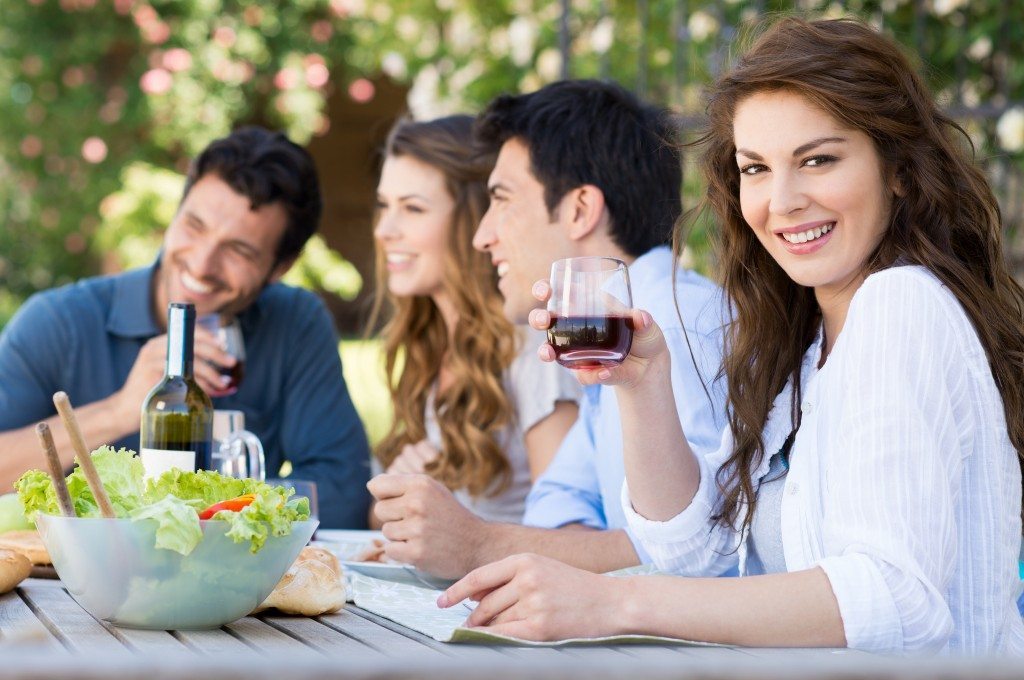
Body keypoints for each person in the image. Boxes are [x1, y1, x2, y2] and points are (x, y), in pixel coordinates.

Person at [439, 17, 1024, 655]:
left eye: (818, 160)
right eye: (756, 168)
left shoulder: (900, 306)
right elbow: (698, 551)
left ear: (899, 172)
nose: (784, 199)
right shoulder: (809, 348)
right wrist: (642, 384)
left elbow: (894, 599)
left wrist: (613, 601)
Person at [368, 80, 728, 578]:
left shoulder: (673, 325)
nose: (481, 235)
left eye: (502, 200)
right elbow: (559, 503)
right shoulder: (610, 329)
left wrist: (477, 543)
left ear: (579, 210)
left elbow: (695, 554)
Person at [0, 126, 372, 528]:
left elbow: (343, 492)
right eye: (195, 225)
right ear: (176, 212)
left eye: (239, 250)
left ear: (281, 267)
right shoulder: (58, 322)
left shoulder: (296, 324)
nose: (202, 263)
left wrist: (208, 511)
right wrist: (120, 411)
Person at [369, 115, 580, 523]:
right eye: (384, 206)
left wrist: (443, 516)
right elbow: (382, 515)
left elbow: (566, 531)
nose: (385, 230)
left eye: (412, 208)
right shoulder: (427, 343)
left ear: (471, 217)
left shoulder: (533, 345)